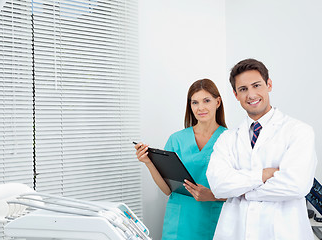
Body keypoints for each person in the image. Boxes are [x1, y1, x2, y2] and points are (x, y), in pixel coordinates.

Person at [206, 58, 317, 240]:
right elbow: (218, 186)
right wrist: (264, 175)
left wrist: (241, 191)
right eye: (243, 89)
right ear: (235, 95)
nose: (251, 95)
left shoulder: (299, 131)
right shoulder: (227, 138)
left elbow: (297, 185)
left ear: (269, 85)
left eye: (256, 85)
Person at [135, 79, 227, 240]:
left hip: (213, 220)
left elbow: (242, 191)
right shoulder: (176, 139)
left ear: (217, 102)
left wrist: (211, 195)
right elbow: (167, 190)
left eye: (206, 101)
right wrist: (149, 163)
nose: (201, 108)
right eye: (195, 102)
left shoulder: (231, 139)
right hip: (179, 223)